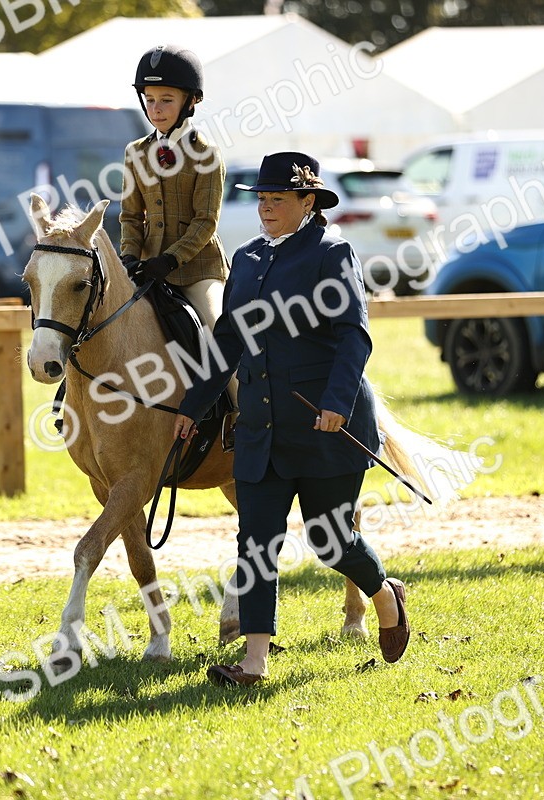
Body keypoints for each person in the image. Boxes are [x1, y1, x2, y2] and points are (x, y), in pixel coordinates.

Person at [173, 152, 410, 687]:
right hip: (261, 425)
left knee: (331, 541)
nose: (266, 209)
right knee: (255, 541)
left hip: (328, 423)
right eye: (261, 198)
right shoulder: (249, 258)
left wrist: (336, 402)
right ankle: (254, 661)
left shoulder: (333, 253)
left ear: (308, 203)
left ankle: (383, 594)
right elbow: (228, 340)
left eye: (278, 199)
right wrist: (192, 406)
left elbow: (354, 334)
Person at [119, 44, 228, 329]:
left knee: (217, 326)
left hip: (197, 270)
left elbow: (206, 221)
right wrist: (129, 256)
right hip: (146, 266)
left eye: (166, 100)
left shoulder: (207, 154)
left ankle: (236, 375)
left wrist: (171, 259)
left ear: (191, 101)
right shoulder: (135, 152)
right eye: (150, 99)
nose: (156, 109)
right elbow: (131, 216)